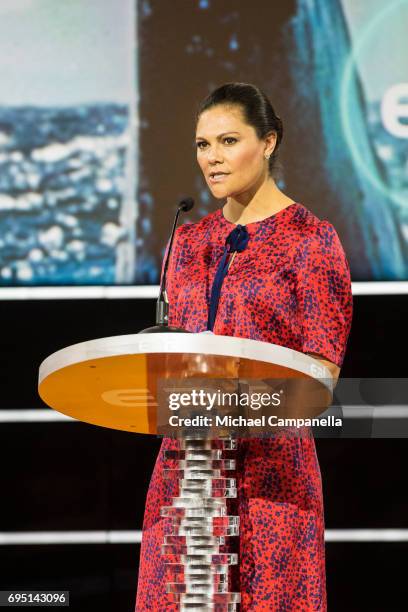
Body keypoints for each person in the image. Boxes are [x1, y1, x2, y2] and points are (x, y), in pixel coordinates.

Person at [135, 82, 353, 611]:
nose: (212, 158)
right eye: (202, 145)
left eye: (228, 141)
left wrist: (239, 401)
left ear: (269, 142)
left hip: (272, 479)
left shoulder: (311, 239)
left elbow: (321, 379)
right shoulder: (186, 243)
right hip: (187, 475)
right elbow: (168, 372)